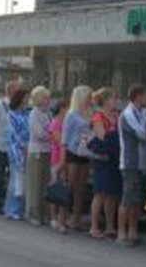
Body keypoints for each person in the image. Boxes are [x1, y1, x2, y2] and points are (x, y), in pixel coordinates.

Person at [117, 84, 146, 246]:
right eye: (144, 96)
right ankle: (121, 232)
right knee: (128, 198)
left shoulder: (143, 113)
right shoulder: (127, 115)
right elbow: (142, 134)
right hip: (130, 162)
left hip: (141, 163)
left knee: (137, 200)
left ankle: (133, 231)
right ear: (137, 96)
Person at [88, 89, 122, 239]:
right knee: (100, 192)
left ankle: (109, 226)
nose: (116, 101)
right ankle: (94, 227)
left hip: (114, 157)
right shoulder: (97, 116)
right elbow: (102, 137)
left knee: (112, 194)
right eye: (114, 99)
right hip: (102, 159)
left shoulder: (116, 116)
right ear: (106, 100)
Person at [0, 78, 21, 213]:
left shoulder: (19, 107)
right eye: (18, 90)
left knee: (14, 176)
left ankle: (10, 203)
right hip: (0, 145)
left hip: (14, 147)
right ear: (10, 91)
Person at [62, 85, 93, 231]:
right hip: (73, 152)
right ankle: (62, 219)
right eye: (88, 97)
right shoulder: (71, 114)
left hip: (85, 152)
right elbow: (65, 137)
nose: (90, 99)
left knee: (80, 189)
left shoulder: (90, 113)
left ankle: (76, 219)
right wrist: (63, 159)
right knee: (69, 186)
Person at [26, 86, 52, 226]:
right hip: (36, 152)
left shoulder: (47, 114)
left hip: (48, 151)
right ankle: (32, 213)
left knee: (44, 183)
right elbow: (39, 133)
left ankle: (43, 213)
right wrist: (52, 135)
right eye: (46, 98)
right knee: (35, 184)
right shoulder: (34, 113)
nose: (49, 101)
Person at [4, 88, 31, 221]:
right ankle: (11, 209)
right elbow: (13, 133)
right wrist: (24, 146)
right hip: (16, 150)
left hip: (28, 149)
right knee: (15, 180)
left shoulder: (28, 113)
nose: (28, 100)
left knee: (23, 181)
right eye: (26, 97)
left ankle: (20, 209)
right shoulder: (11, 114)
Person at [48, 100, 69, 233]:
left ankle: (62, 218)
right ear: (61, 109)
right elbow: (60, 142)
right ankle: (54, 218)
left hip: (66, 158)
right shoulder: (55, 123)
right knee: (57, 188)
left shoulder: (65, 123)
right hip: (57, 158)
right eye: (66, 107)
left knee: (64, 187)